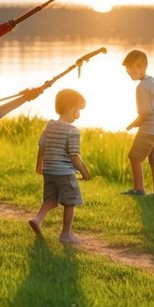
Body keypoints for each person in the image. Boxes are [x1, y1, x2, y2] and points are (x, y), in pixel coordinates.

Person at [29, 88, 92, 244]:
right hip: (64, 173)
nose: (79, 113)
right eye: (78, 109)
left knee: (50, 200)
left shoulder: (50, 125)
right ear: (71, 108)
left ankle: (37, 219)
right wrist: (83, 171)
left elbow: (41, 146)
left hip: (49, 170)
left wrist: (39, 165)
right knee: (70, 201)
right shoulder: (73, 131)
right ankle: (66, 234)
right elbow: (74, 156)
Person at [121, 49, 154, 198]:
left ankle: (139, 189)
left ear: (140, 66)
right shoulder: (152, 81)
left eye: (129, 69)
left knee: (134, 157)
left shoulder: (141, 87)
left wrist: (133, 124)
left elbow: (145, 112)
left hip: (149, 129)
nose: (127, 72)